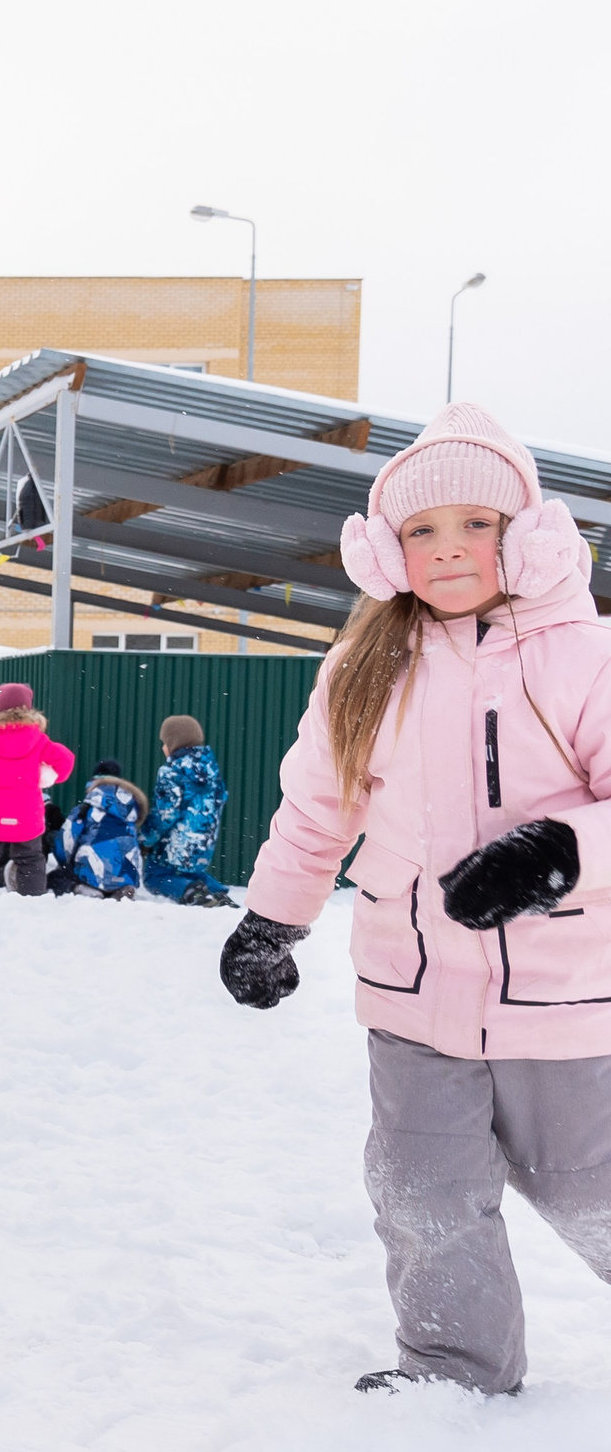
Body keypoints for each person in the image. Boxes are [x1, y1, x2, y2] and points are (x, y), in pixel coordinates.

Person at [221, 403, 611, 1398]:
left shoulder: (585, 658)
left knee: (584, 1187)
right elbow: (315, 809)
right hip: (411, 990)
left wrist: (557, 852)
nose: (446, 549)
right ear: (387, 552)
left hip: (564, 998)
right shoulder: (363, 669)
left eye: (474, 524)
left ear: (522, 534)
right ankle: (453, 1367)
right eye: (420, 530)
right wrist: (273, 916)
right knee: (423, 1192)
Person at [0, 682, 75, 899]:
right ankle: (33, 898)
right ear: (27, 709)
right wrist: (48, 776)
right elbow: (66, 759)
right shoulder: (38, 740)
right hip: (26, 816)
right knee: (30, 859)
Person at [142, 716, 234, 906]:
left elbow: (165, 814)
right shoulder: (210, 771)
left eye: (164, 743)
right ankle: (218, 893)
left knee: (154, 876)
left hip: (175, 844)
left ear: (174, 743)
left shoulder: (171, 773)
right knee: (192, 872)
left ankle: (191, 893)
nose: (162, 748)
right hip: (203, 842)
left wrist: (145, 839)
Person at [55, 758, 148, 899]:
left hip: (92, 872)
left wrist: (64, 862)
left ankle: (82, 888)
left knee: (56, 877)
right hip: (126, 875)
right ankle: (121, 887)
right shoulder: (130, 814)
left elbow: (65, 843)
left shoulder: (85, 809)